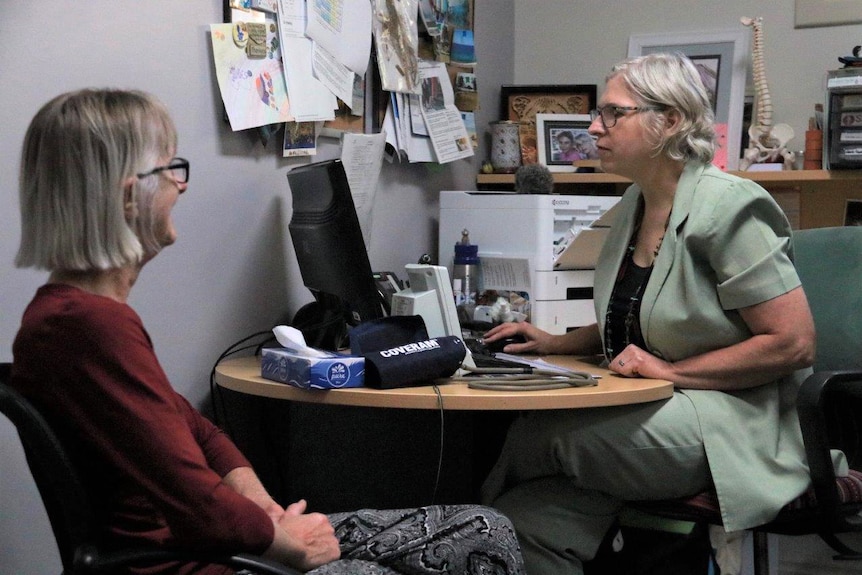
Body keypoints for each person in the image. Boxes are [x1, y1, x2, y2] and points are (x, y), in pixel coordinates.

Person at [10, 89, 525, 575]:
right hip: (199, 563)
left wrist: (269, 514)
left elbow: (198, 433)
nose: (181, 184)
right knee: (467, 539)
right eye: (171, 168)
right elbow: (197, 503)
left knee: (486, 529)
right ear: (129, 196)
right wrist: (287, 542)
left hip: (227, 541)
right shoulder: (88, 327)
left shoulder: (78, 317)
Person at [480, 52, 817, 574]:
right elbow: (648, 316)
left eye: (614, 113)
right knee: (520, 524)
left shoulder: (730, 206)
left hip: (734, 421)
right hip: (662, 406)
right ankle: (473, 525)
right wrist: (555, 343)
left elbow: (791, 343)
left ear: (671, 121)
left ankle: (445, 521)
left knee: (540, 438)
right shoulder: (632, 207)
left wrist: (675, 372)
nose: (594, 126)